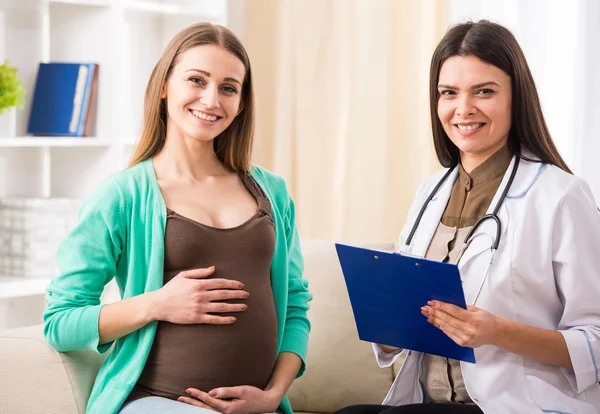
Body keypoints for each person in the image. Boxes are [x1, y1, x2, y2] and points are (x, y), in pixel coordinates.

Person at [43, 22, 312, 414]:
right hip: (155, 401)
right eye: (196, 80)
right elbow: (60, 322)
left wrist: (272, 395)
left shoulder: (272, 192)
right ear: (165, 84)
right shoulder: (121, 197)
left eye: (228, 88)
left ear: (241, 102)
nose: (211, 99)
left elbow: (295, 305)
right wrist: (158, 304)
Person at [337, 20, 600, 414]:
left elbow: (595, 340)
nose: (463, 109)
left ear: (517, 97)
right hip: (429, 402)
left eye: (484, 92)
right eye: (449, 93)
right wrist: (390, 327)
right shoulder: (430, 193)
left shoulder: (562, 196)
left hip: (512, 405)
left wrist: (498, 332)